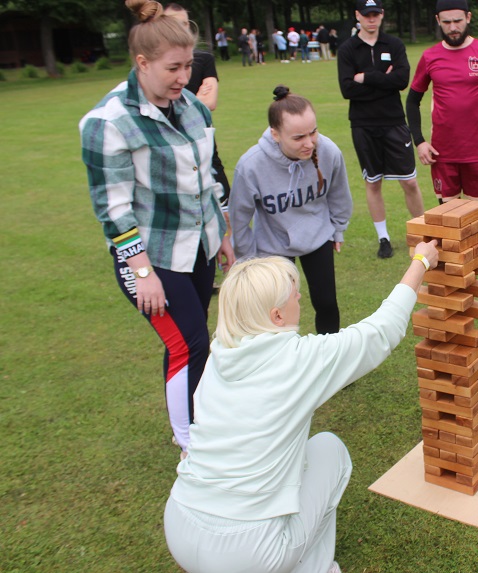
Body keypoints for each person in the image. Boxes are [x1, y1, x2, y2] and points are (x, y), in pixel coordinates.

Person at [163, 241, 440, 573]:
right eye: (293, 294)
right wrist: (421, 261)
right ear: (276, 315)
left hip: (179, 524)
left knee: (305, 457)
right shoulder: (297, 359)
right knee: (330, 450)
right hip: (249, 552)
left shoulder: (218, 355)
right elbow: (381, 331)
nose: (299, 297)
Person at [79, 0, 234, 458]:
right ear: (142, 63)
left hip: (199, 246)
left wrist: (222, 233)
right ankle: (190, 443)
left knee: (192, 339)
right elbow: (113, 208)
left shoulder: (193, 108)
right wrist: (142, 271)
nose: (184, 77)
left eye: (188, 66)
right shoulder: (107, 122)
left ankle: (198, 421)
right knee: (190, 343)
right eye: (173, 68)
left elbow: (207, 176)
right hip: (152, 257)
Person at [229, 86, 353, 335]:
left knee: (327, 303)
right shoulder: (251, 165)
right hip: (273, 246)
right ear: (275, 134)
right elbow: (239, 218)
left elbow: (339, 193)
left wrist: (338, 229)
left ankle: (328, 355)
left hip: (317, 236)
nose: (309, 143)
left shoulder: (328, 151)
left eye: (313, 132)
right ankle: (282, 357)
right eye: (298, 138)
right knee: (277, 313)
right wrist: (247, 259)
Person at [338, 0, 426, 259]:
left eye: (375, 14)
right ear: (358, 15)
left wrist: (367, 77)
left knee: (409, 181)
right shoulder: (347, 49)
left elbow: (402, 80)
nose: (371, 19)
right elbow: (347, 89)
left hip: (393, 121)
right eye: (367, 15)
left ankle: (424, 234)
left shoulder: (394, 45)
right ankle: (383, 238)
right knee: (373, 182)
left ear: (382, 15)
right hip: (363, 124)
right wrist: (384, 80)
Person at [406, 0, 478, 207]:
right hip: (442, 155)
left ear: (468, 18)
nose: (453, 28)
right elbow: (412, 101)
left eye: (458, 21)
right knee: (448, 218)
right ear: (438, 20)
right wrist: (419, 141)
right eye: (446, 22)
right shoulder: (430, 56)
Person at [164, 3, 231, 236]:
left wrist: (179, 104)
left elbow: (209, 102)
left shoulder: (203, 58)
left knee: (223, 208)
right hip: (172, 149)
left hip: (204, 144)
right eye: (174, 24)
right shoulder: (155, 64)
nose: (182, 30)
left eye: (185, 24)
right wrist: (195, 100)